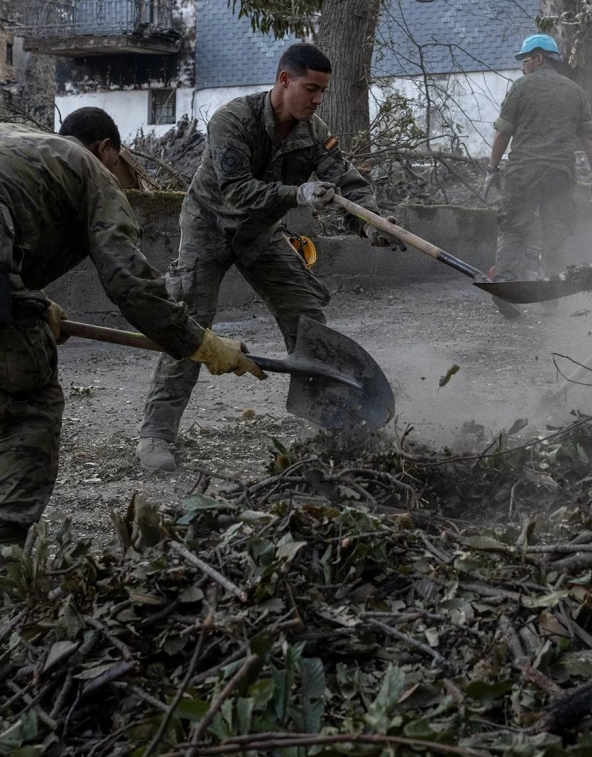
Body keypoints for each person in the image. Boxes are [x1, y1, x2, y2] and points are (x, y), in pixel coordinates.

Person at [0, 108, 261, 611]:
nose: (124, 184)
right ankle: (1, 582)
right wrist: (199, 342)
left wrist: (30, 300)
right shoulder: (92, 169)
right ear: (107, 149)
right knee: (26, 405)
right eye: (124, 171)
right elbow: (129, 283)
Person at [135, 43, 402, 473]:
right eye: (310, 89)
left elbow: (348, 185)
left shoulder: (313, 133)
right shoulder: (233, 120)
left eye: (322, 92)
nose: (317, 100)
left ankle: (336, 421)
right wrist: (296, 194)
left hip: (260, 234)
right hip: (209, 228)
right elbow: (236, 190)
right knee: (190, 326)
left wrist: (371, 225)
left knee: (306, 315)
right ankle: (156, 434)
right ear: (283, 80)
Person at [485, 34, 592, 316]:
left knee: (514, 229)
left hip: (523, 173)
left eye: (525, 61)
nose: (523, 67)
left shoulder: (521, 88)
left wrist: (492, 169)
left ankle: (505, 288)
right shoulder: (575, 91)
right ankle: (551, 297)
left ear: (539, 58)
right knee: (556, 233)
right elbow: (590, 140)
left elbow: (503, 132)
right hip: (560, 175)